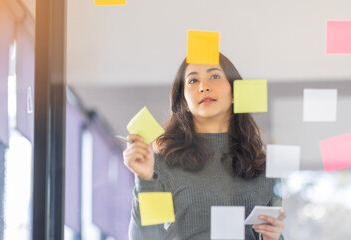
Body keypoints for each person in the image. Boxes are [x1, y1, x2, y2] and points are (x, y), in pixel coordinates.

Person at [123, 53, 287, 240]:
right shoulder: (162, 166)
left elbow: (273, 232)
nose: (203, 86)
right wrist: (145, 179)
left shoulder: (263, 169)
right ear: (184, 102)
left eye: (214, 76)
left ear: (235, 93)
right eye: (193, 81)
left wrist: (274, 237)